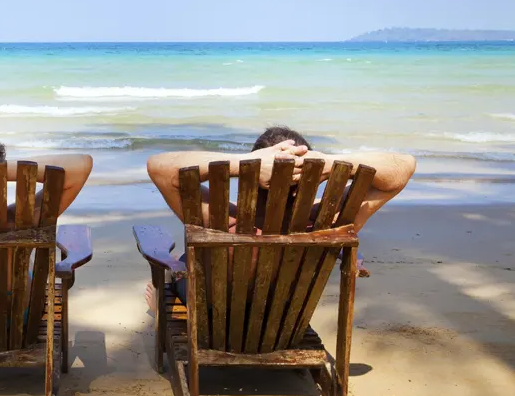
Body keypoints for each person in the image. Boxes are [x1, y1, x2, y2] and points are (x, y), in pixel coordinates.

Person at [144, 125, 416, 309]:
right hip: (286, 319)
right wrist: (332, 162)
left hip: (214, 316)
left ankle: (161, 305)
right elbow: (404, 166)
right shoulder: (330, 220)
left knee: (183, 261)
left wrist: (242, 163)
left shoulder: (221, 222)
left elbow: (159, 167)